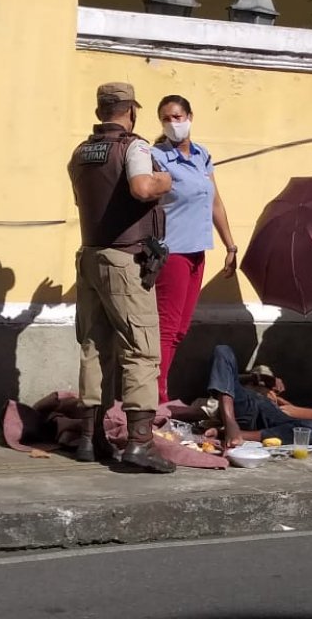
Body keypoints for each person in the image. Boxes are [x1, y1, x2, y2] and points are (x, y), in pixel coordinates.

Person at [67, 81, 176, 474]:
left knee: (95, 345)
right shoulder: (136, 147)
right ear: (131, 111)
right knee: (142, 346)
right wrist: (166, 180)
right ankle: (140, 442)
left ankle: (88, 437)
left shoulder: (80, 153)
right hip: (124, 259)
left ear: (100, 112)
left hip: (90, 255)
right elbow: (142, 186)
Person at [150, 95, 238, 403]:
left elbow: (215, 201)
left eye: (177, 116)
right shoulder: (156, 157)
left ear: (189, 116)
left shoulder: (202, 155)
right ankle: (156, 395)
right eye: (166, 119)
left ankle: (161, 391)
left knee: (181, 329)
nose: (172, 123)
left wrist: (230, 245)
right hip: (171, 251)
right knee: (166, 326)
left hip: (197, 250)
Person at [169, 345, 312, 449]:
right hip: (241, 406)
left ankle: (235, 433)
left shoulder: (279, 405)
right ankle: (231, 424)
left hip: (269, 419)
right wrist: (258, 378)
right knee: (222, 350)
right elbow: (227, 379)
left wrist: (278, 398)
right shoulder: (245, 386)